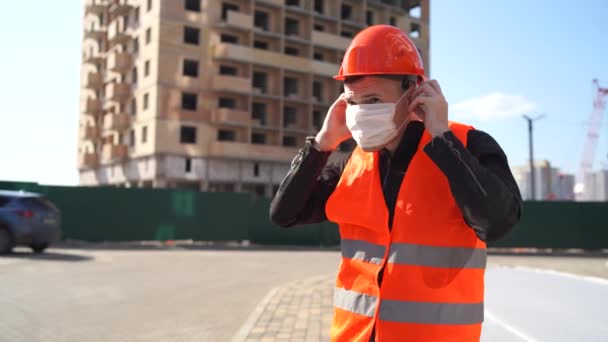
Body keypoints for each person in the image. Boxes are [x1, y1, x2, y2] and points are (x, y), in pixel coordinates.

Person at [269, 25, 522, 342]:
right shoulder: (351, 161)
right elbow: (284, 214)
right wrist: (321, 144)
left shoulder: (468, 145)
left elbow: (497, 222)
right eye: (353, 102)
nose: (361, 113)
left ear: (415, 91)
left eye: (373, 99)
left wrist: (442, 138)